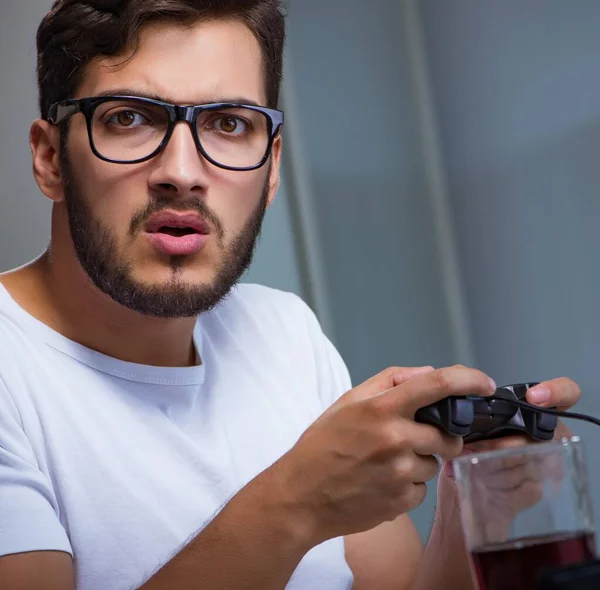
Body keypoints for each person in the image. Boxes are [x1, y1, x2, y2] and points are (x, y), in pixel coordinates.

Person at [0, 1, 582, 589]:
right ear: (50, 159)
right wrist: (295, 503)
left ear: (271, 167)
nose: (182, 170)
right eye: (128, 118)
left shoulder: (282, 334)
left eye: (228, 124)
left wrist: (471, 497)